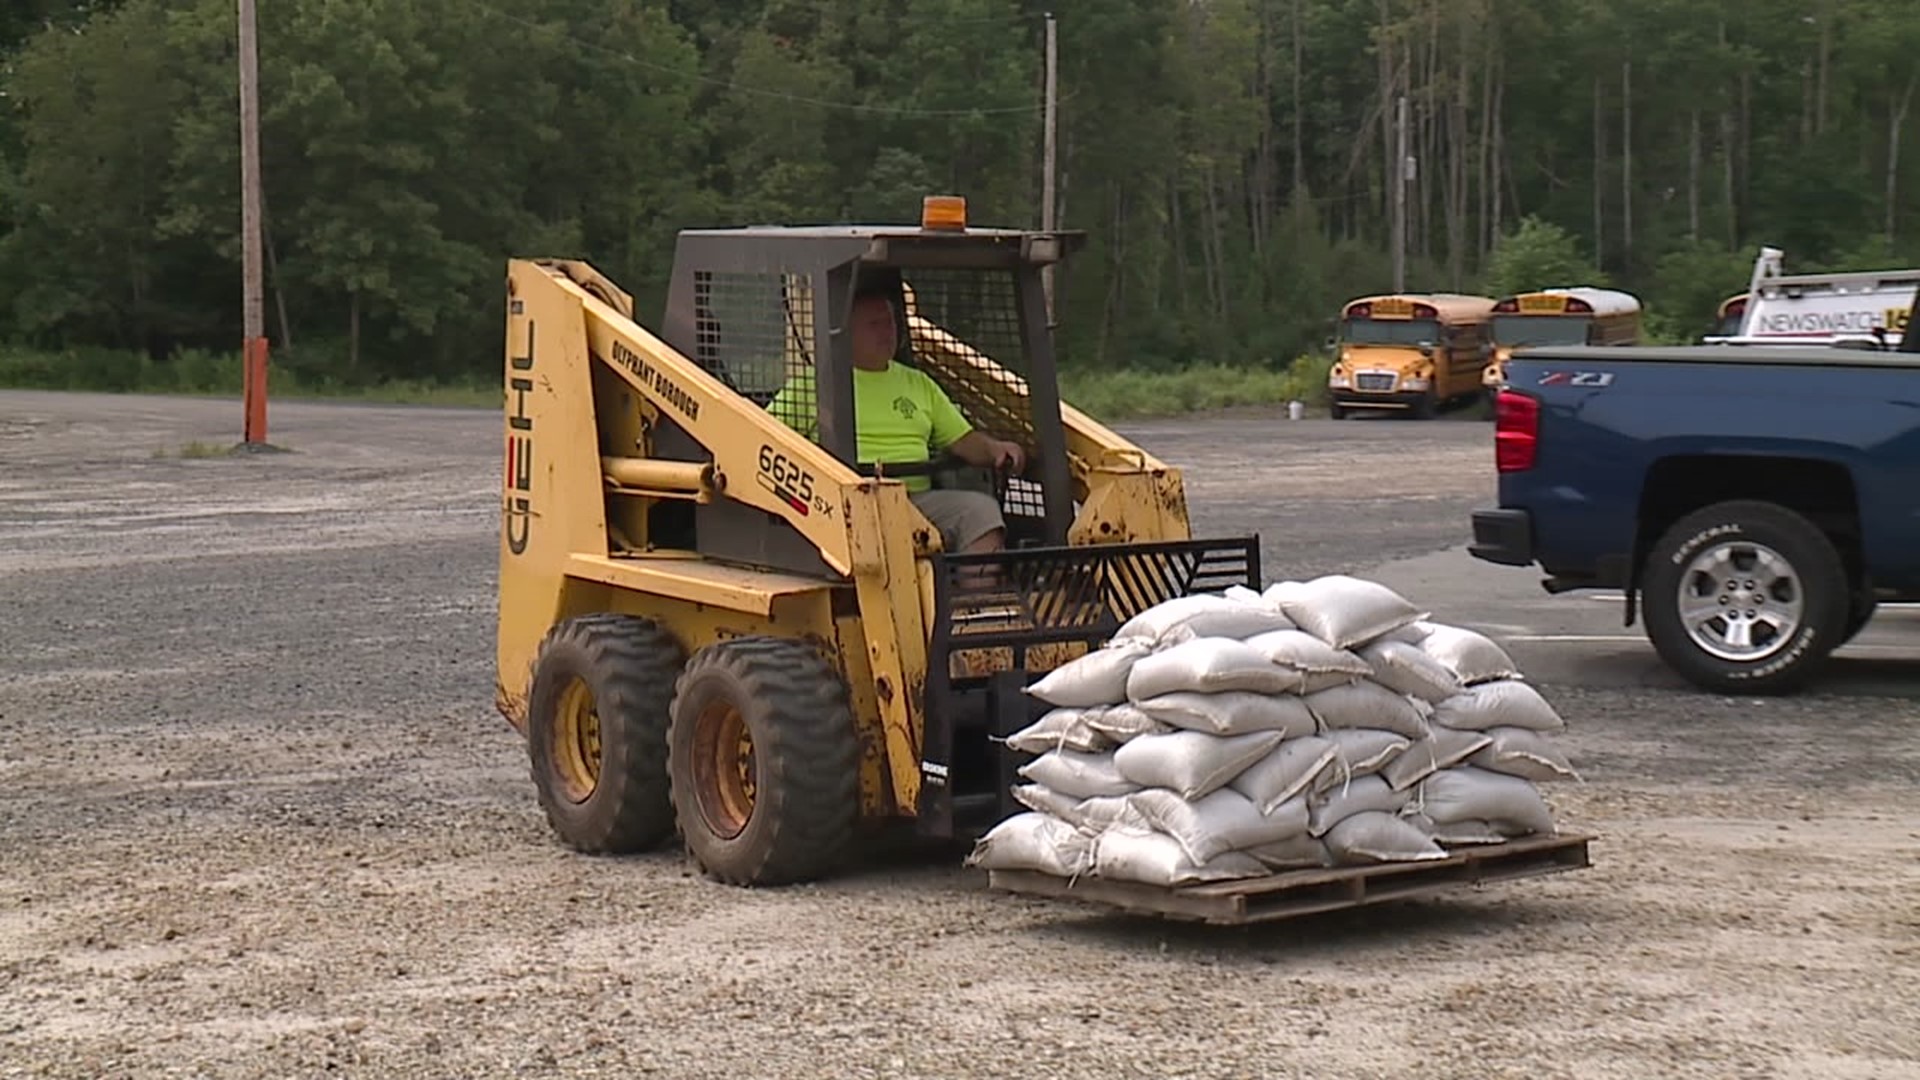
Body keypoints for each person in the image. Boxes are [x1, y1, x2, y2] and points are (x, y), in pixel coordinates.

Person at [769, 291, 1026, 554]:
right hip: (843, 505)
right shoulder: (811, 386)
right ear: (846, 333)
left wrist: (994, 449)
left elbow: (962, 439)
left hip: (915, 501)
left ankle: (976, 595)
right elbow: (763, 435)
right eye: (874, 325)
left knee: (981, 514)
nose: (886, 332)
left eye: (889, 322)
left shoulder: (918, 383)